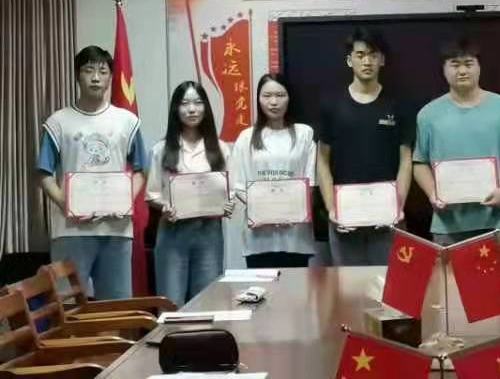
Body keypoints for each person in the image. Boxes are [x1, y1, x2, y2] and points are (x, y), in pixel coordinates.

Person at [37, 46, 146, 300]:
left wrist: (126, 200)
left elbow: (141, 169)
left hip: (116, 230)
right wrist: (65, 202)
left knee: (115, 306)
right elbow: (44, 173)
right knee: (67, 305)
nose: (96, 78)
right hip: (70, 230)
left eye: (102, 71)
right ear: (78, 75)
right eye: (88, 70)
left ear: (110, 77)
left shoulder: (127, 121)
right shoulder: (57, 122)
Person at [413, 36, 500, 246]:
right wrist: (432, 193)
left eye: (468, 64)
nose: (462, 71)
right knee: (447, 271)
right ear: (443, 69)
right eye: (454, 64)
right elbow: (420, 162)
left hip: (499, 221)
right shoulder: (428, 114)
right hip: (448, 224)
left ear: (479, 67)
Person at [318, 28, 414, 266]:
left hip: (388, 217)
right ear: (349, 60)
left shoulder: (398, 104)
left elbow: (406, 160)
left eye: (373, 55)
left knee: (388, 284)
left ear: (382, 60)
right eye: (360, 55)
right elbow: (322, 161)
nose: (367, 61)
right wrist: (332, 209)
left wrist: (398, 206)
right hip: (345, 218)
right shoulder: (331, 105)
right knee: (348, 286)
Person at [146, 81, 233, 306]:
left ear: (206, 108)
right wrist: (164, 206)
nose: (192, 109)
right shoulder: (161, 149)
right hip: (172, 232)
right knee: (171, 303)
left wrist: (228, 204)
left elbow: (229, 191)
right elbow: (152, 194)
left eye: (198, 103)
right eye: (184, 104)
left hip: (209, 233)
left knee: (207, 301)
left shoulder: (221, 149)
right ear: (176, 109)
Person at [231, 73, 317, 268]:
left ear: (289, 98)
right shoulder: (246, 137)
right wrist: (269, 213)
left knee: (296, 286)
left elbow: (310, 182)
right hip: (259, 237)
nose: (273, 102)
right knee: (261, 286)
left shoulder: (304, 134)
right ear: (258, 99)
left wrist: (287, 212)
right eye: (267, 96)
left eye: (280, 95)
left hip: (295, 234)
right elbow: (239, 185)